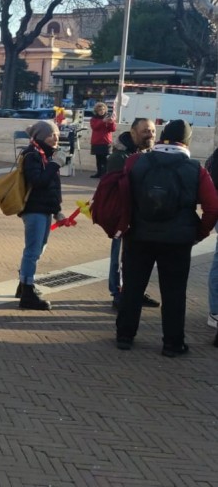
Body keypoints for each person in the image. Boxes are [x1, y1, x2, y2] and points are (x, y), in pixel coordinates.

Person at [116, 119, 218, 356]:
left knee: (132, 287)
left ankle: (124, 336)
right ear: (187, 141)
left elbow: (122, 195)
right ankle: (173, 344)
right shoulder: (195, 169)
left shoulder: (136, 162)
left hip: (138, 235)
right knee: (173, 292)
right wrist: (198, 233)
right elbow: (213, 207)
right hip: (177, 241)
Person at [104, 117, 158, 310]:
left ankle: (135, 291)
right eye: (145, 131)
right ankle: (117, 293)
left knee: (138, 257)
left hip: (141, 215)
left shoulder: (149, 154)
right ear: (133, 132)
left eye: (152, 130)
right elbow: (118, 188)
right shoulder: (119, 157)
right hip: (123, 215)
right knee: (118, 256)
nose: (150, 134)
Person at [16, 120, 66, 311]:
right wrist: (55, 165)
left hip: (44, 208)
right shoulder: (32, 155)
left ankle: (24, 284)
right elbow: (38, 182)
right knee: (32, 251)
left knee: (38, 249)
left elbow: (53, 188)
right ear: (39, 136)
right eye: (51, 134)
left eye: (57, 134)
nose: (56, 138)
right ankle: (27, 292)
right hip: (34, 209)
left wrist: (57, 210)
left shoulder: (47, 156)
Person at [89, 101, 116, 178]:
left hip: (106, 141)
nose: (102, 111)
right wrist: (102, 121)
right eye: (100, 110)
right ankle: (99, 173)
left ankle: (105, 174)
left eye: (103, 109)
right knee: (98, 159)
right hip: (97, 141)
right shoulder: (94, 119)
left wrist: (112, 122)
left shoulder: (108, 118)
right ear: (97, 111)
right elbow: (95, 127)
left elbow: (113, 129)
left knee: (105, 159)